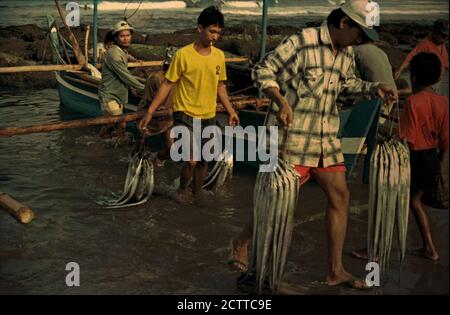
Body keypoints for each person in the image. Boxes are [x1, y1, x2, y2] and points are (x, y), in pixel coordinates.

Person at [231, 0, 398, 289]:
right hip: (292, 138)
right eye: (360, 34)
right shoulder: (302, 41)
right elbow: (262, 71)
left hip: (325, 138)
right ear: (345, 23)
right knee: (278, 206)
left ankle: (335, 271)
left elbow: (344, 84)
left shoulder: (346, 53)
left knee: (341, 197)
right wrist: (280, 100)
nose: (360, 42)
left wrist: (374, 88)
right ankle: (255, 261)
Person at [138, 6, 240, 204]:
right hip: (185, 114)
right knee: (191, 160)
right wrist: (149, 112)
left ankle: (197, 193)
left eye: (219, 32)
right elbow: (168, 83)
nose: (215, 36)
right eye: (211, 31)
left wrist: (231, 111)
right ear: (199, 28)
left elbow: (220, 87)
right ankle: (182, 189)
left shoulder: (219, 56)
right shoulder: (183, 55)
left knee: (204, 161)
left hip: (208, 115)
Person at [399, 52, 448, 261]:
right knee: (414, 200)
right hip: (432, 157)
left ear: (414, 77)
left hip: (416, 158)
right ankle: (428, 247)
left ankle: (428, 247)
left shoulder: (413, 102)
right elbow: (446, 137)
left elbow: (407, 139)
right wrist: (441, 161)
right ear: (438, 77)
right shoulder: (443, 101)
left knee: (405, 201)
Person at [98, 21, 145, 144]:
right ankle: (102, 142)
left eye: (128, 35)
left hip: (118, 95)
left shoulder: (121, 51)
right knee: (120, 124)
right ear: (116, 38)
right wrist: (144, 88)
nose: (126, 39)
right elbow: (125, 76)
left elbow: (126, 56)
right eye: (122, 36)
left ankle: (109, 142)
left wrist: (135, 60)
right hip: (110, 95)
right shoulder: (114, 54)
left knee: (112, 123)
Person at [136, 47, 177, 166]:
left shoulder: (181, 79)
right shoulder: (155, 78)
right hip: (151, 116)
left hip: (168, 117)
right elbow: (147, 101)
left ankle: (156, 160)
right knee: (140, 147)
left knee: (172, 150)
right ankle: (136, 162)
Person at [394, 19, 449, 94]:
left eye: (447, 36)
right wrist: (400, 70)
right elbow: (411, 56)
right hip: (429, 84)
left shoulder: (441, 44)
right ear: (435, 33)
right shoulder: (425, 44)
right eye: (443, 35)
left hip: (439, 82)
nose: (445, 38)